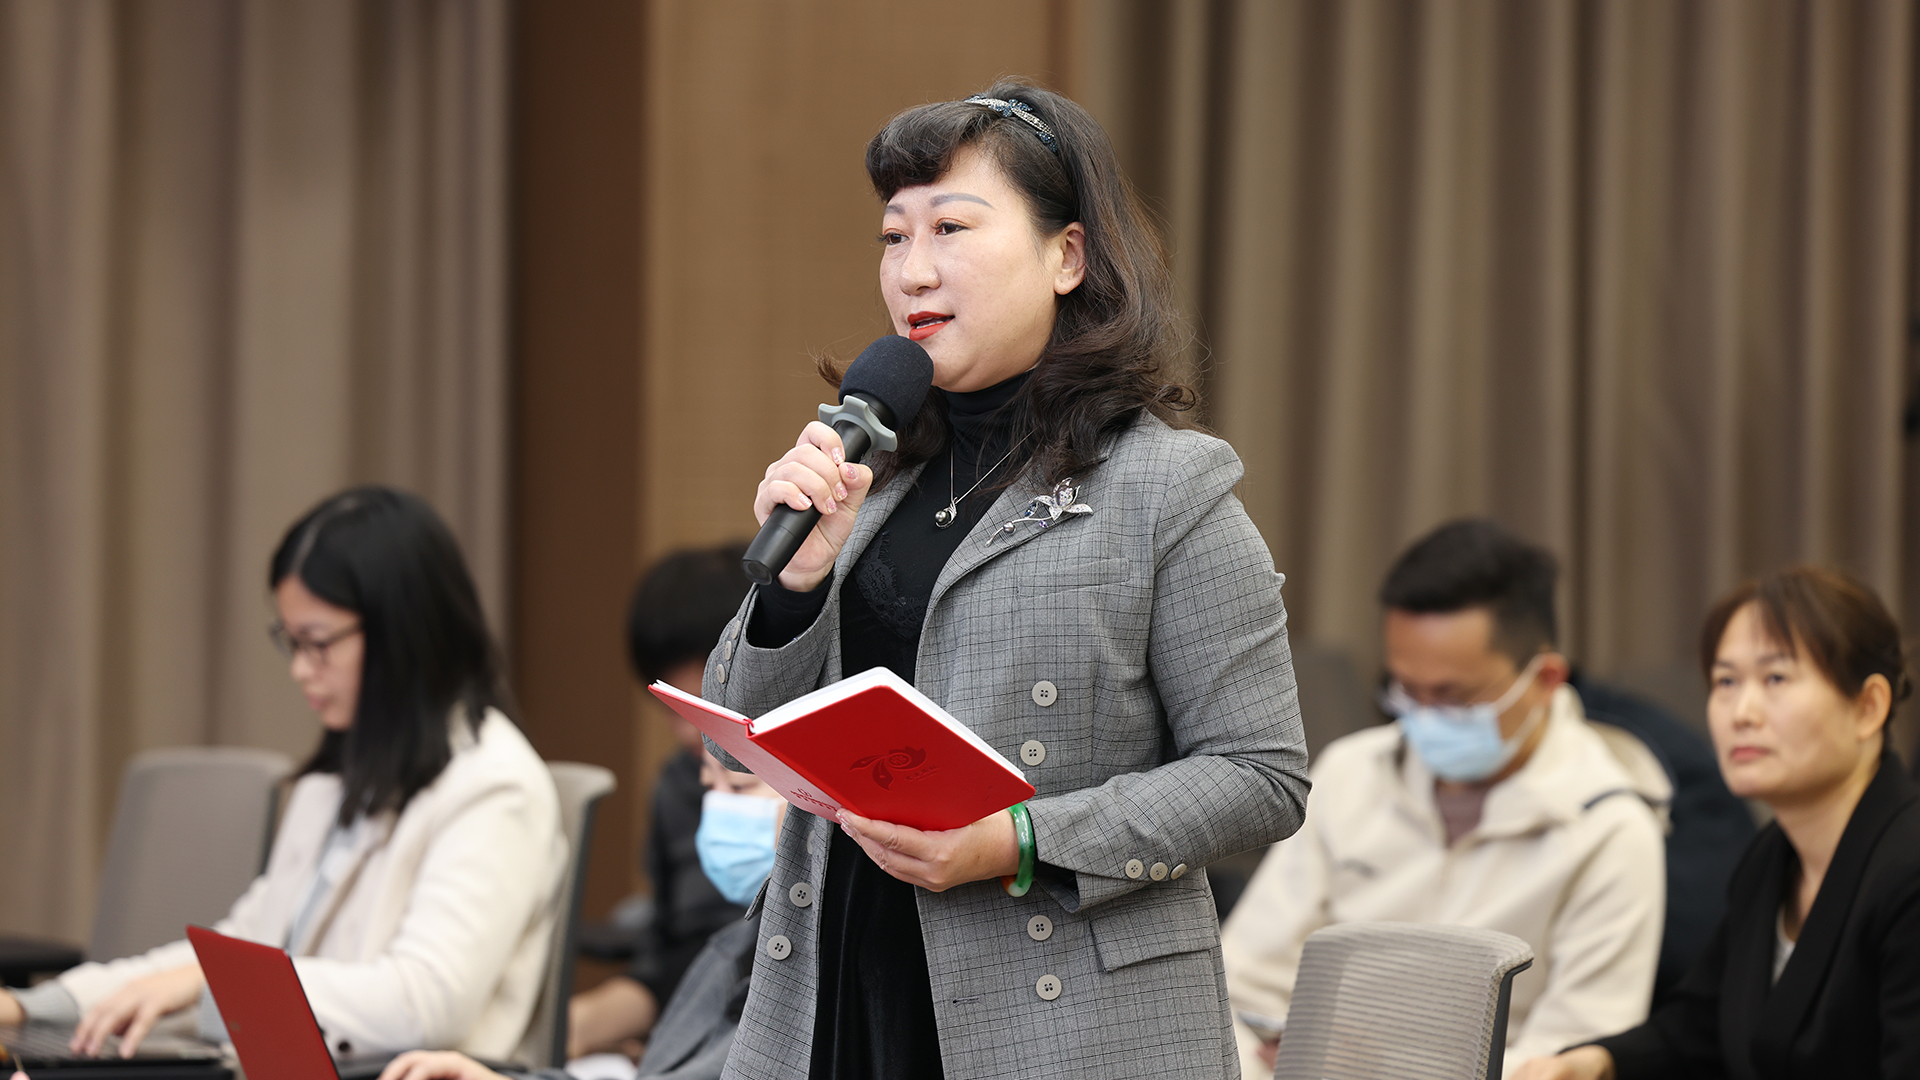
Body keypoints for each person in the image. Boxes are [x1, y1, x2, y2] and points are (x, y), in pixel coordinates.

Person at [702, 82, 1308, 1080]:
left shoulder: (1167, 487)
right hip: (843, 981)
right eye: (894, 235)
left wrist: (1018, 839)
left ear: (1067, 256)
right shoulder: (873, 471)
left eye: (951, 227)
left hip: (1063, 1024)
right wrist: (795, 587)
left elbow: (1260, 776)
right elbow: (740, 729)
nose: (913, 269)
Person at [0, 486, 566, 1063]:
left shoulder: (494, 785)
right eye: (290, 643)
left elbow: (424, 1003)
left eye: (317, 644)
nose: (299, 669)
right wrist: (32, 1006)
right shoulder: (338, 782)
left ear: (403, 633)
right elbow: (235, 950)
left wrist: (215, 985)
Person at [1222, 519, 1668, 1075]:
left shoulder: (1610, 828)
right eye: (1407, 690)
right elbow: (1242, 985)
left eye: (1454, 697)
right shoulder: (1350, 775)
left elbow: (1571, 1054)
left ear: (1546, 679)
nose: (1425, 717)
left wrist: (1380, 1065)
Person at [1515, 566, 1920, 1079]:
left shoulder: (1907, 871)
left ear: (1868, 707)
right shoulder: (1772, 856)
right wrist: (1596, 1061)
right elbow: (1702, 1022)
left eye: (1776, 679)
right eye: (1726, 681)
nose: (1741, 712)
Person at [377, 750, 789, 1080]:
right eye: (708, 784)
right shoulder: (732, 946)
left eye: (739, 786)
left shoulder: (798, 967)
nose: (719, 807)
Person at [568, 543, 754, 1059]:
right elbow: (672, 953)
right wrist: (586, 1025)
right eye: (671, 708)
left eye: (699, 703)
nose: (687, 733)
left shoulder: (817, 785)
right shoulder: (679, 782)